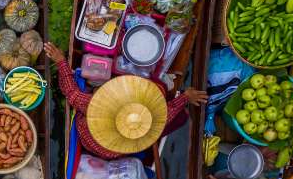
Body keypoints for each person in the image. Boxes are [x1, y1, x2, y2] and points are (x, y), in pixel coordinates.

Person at [43, 42, 208, 159]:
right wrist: (185, 96)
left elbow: (70, 92)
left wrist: (60, 61)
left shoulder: (96, 106)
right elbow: (166, 114)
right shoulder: (142, 132)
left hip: (89, 130)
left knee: (160, 92)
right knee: (163, 94)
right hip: (99, 142)